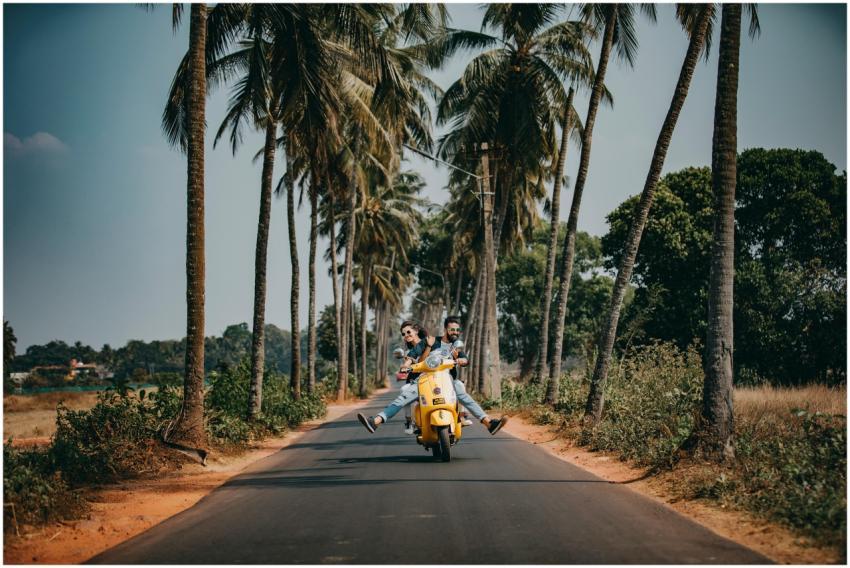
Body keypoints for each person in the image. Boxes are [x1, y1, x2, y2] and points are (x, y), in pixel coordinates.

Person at [357, 315, 508, 436]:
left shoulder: (455, 346)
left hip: (447, 380)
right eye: (451, 329)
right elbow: (412, 355)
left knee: (462, 392)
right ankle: (376, 421)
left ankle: (488, 423)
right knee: (403, 397)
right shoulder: (430, 341)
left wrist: (461, 359)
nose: (454, 332)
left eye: (457, 330)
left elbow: (464, 359)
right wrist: (405, 365)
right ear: (445, 329)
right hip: (424, 380)